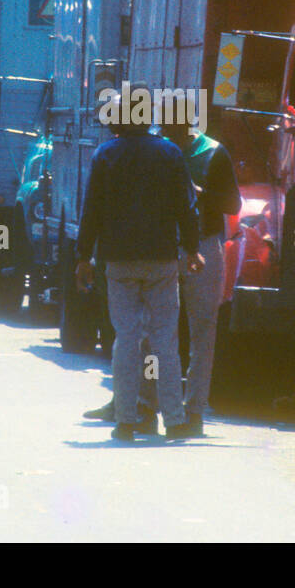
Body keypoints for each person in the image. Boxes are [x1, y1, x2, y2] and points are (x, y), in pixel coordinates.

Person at [75, 92, 203, 441]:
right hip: (161, 260)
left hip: (118, 261)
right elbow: (186, 207)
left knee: (126, 339)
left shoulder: (106, 155)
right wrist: (192, 249)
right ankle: (174, 421)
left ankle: (126, 421)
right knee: (165, 340)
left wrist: (83, 257)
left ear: (118, 120)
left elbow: (92, 211)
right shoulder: (170, 153)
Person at [141, 101, 241, 437]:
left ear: (186, 126)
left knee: (202, 331)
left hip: (204, 245)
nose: (164, 134)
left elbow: (233, 204)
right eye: (162, 128)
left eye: (170, 129)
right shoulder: (159, 150)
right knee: (154, 331)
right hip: (164, 247)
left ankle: (194, 410)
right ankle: (147, 406)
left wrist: (201, 194)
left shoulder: (213, 154)